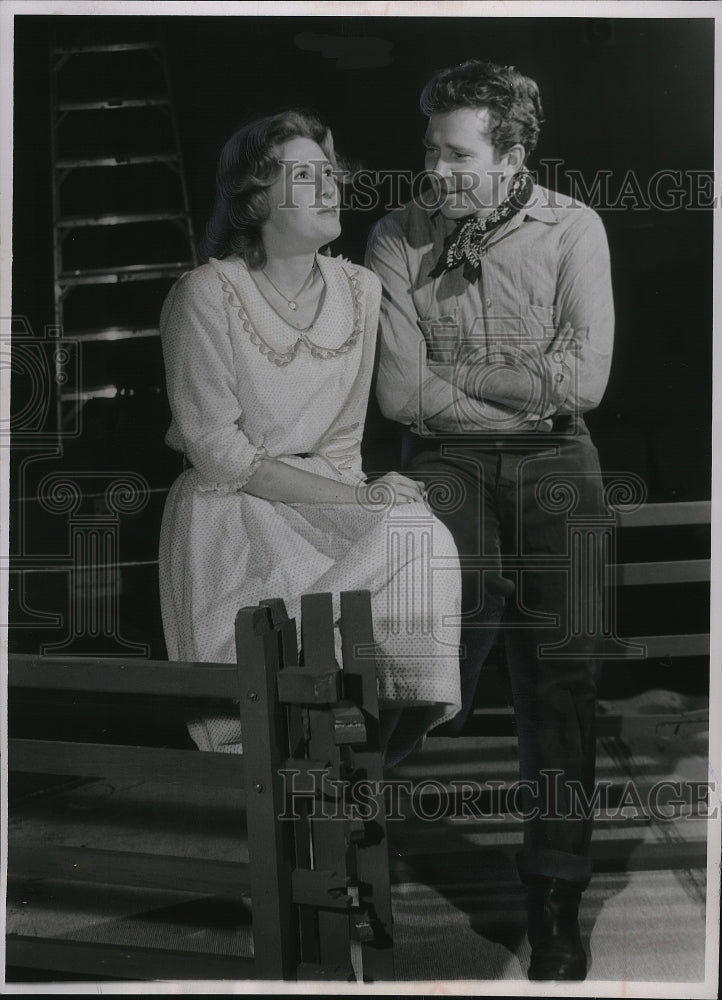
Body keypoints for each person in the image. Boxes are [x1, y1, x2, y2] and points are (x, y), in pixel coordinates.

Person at [366, 60, 614, 981]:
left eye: (456, 152)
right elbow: (398, 394)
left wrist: (454, 385)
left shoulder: (574, 228)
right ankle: (350, 848)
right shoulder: (396, 234)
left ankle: (556, 894)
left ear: (513, 154)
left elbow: (584, 385)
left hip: (561, 463)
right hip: (445, 467)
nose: (435, 168)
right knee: (430, 646)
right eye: (428, 148)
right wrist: (513, 394)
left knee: (566, 678)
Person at [158, 110, 462, 769]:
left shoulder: (361, 289)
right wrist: (358, 505)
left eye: (331, 174)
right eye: (304, 176)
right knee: (294, 684)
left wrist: (365, 498)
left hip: (321, 497)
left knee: (419, 533)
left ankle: (372, 752)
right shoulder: (206, 294)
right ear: (254, 196)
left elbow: (345, 445)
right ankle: (289, 708)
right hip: (231, 515)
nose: (329, 189)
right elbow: (220, 454)